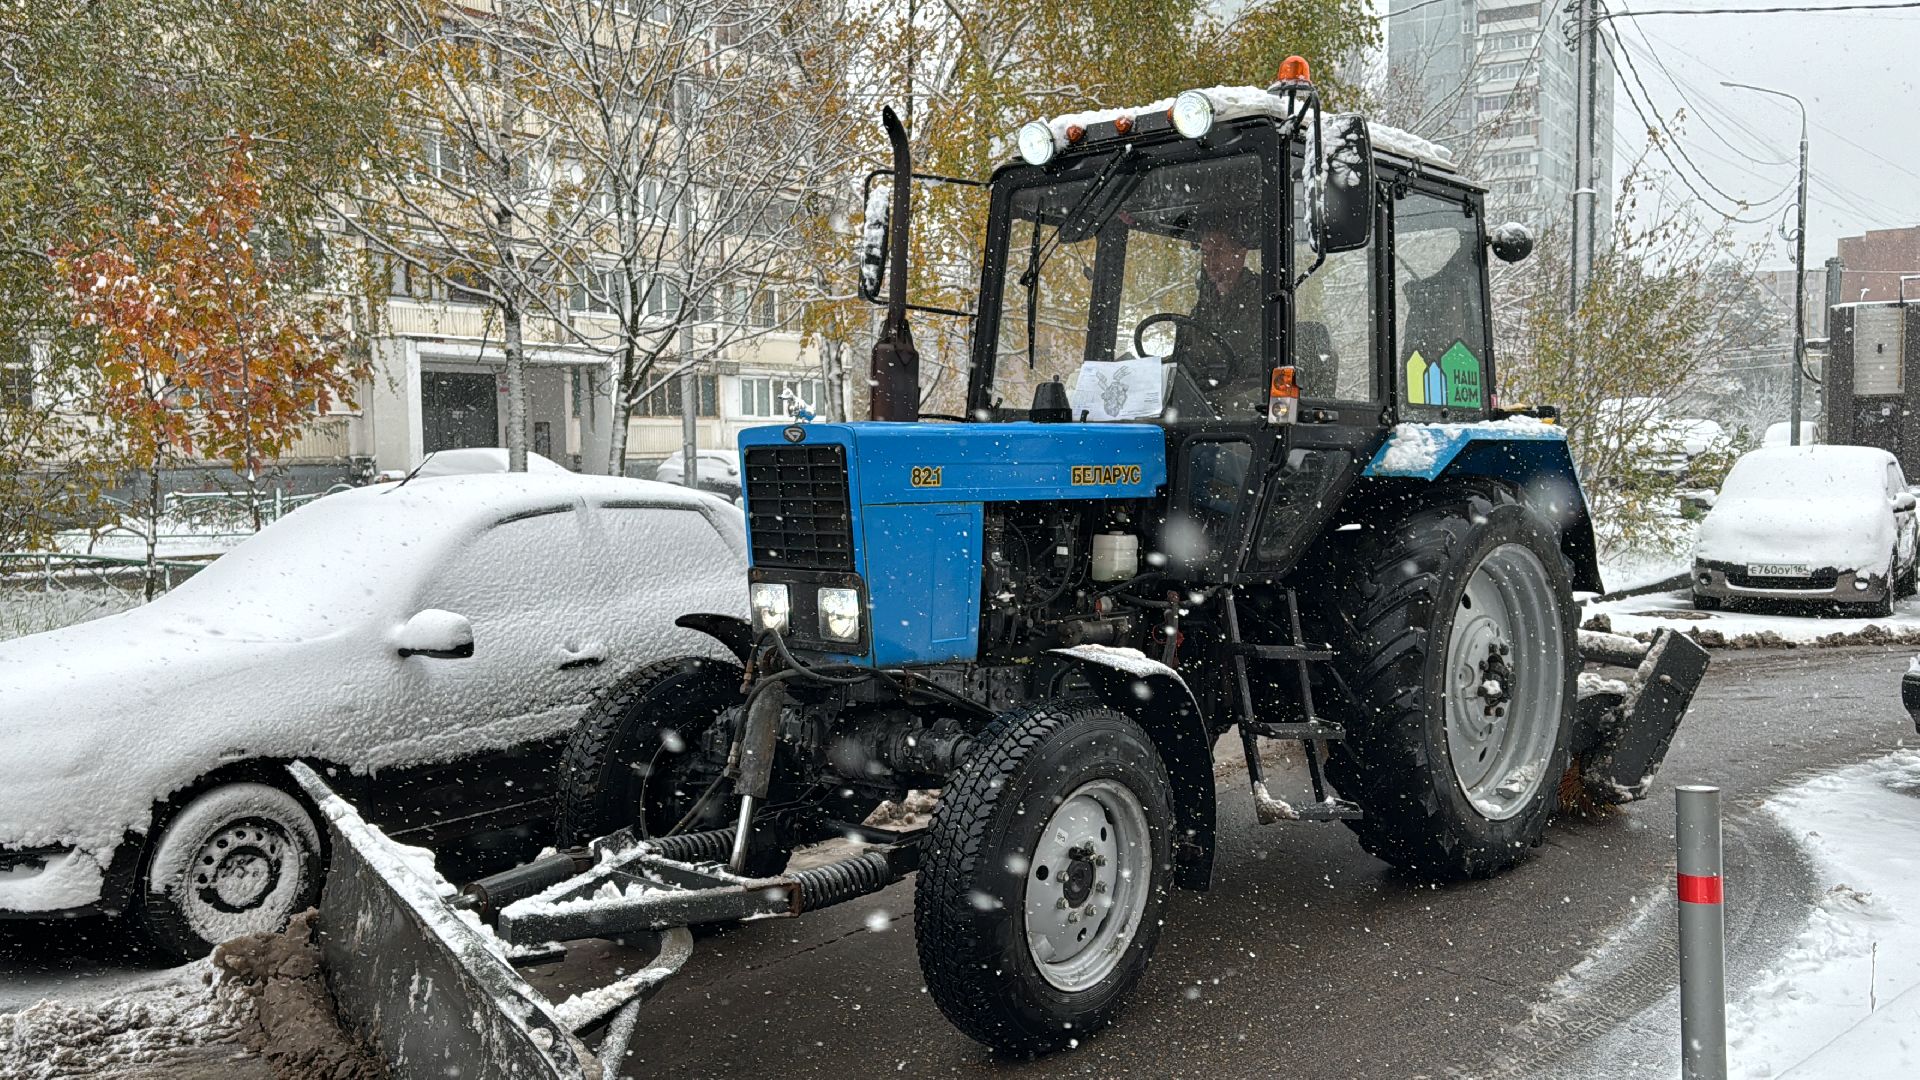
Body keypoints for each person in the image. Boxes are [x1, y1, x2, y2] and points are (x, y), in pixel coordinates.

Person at [1176, 219, 1268, 413]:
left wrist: (1195, 359)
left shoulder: (1261, 298)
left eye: (1217, 252)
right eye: (1206, 253)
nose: (1210, 262)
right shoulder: (1206, 302)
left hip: (1250, 391)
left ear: (1240, 254)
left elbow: (1236, 349)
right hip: (1212, 389)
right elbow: (1186, 345)